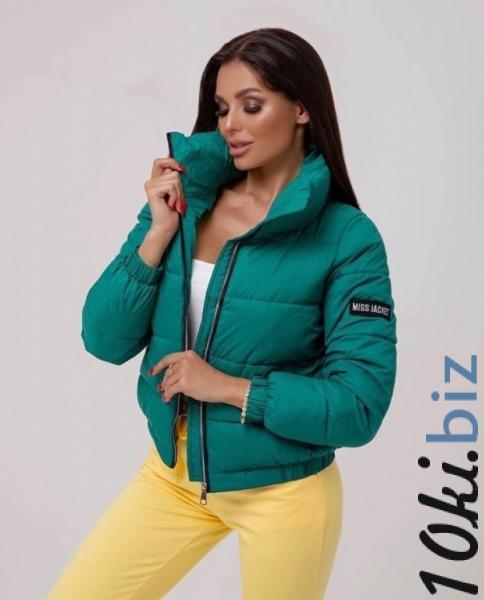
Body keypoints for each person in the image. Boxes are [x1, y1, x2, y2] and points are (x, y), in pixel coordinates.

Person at [47, 27, 397, 600]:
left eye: (251, 106)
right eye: (221, 108)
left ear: (302, 109)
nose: (230, 124)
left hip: (284, 493)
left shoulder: (346, 237)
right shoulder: (187, 205)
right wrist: (158, 232)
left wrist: (231, 389)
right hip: (174, 476)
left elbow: (360, 405)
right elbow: (103, 339)